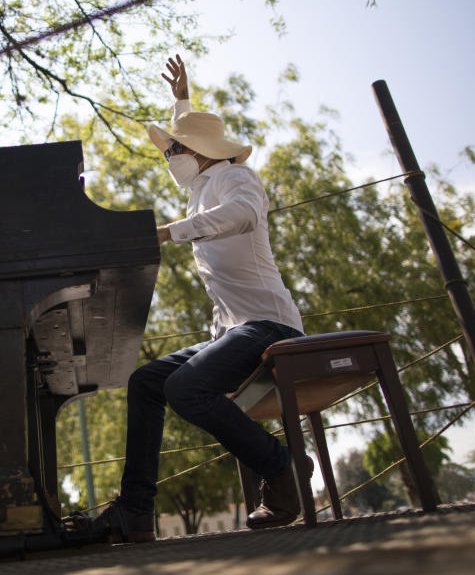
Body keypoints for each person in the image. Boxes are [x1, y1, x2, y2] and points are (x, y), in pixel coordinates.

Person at [89, 56, 310, 542]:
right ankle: (137, 511)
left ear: (196, 152)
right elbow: (192, 158)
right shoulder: (201, 187)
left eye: (173, 151)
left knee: (185, 388)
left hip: (268, 324)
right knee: (148, 382)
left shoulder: (236, 179)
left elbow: (241, 214)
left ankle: (282, 467)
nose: (169, 159)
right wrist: (181, 102)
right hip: (234, 329)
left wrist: (168, 233)